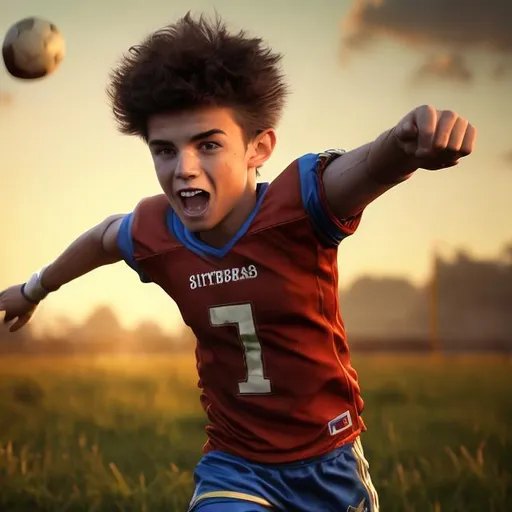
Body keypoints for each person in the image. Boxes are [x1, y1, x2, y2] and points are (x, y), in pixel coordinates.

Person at [0, 13, 476, 512]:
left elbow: (367, 166)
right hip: (236, 464)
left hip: (328, 461)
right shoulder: (157, 230)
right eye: (164, 149)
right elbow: (101, 238)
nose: (183, 168)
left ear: (258, 148)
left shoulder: (297, 208)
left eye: (208, 144)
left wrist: (407, 144)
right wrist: (34, 289)